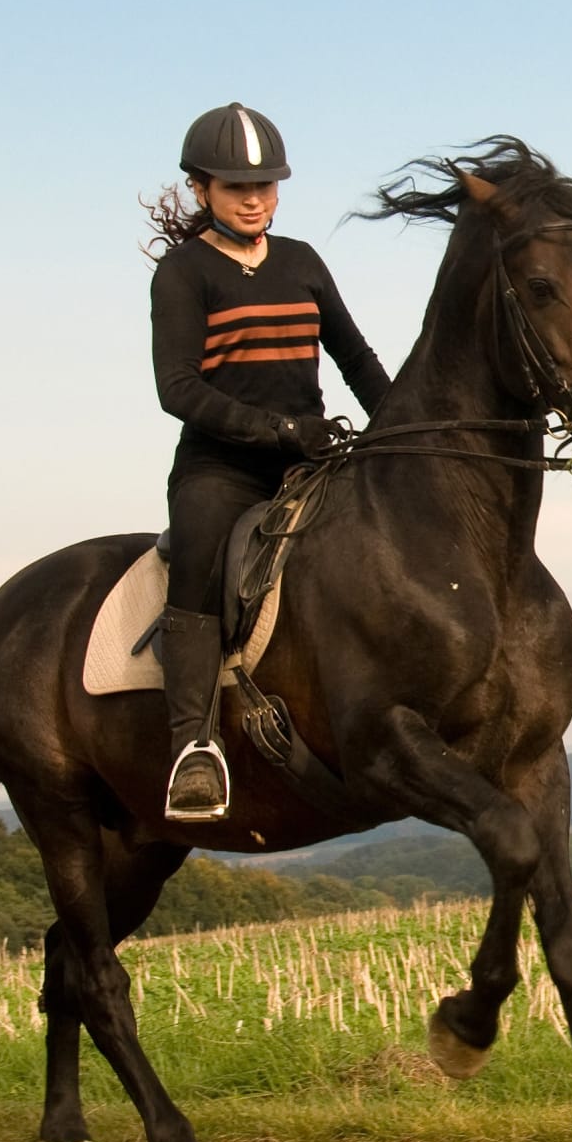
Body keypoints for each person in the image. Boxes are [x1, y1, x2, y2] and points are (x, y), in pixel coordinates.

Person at [144, 102, 392, 821]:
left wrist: (404, 426)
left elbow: (357, 360)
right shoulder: (184, 274)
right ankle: (194, 750)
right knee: (196, 562)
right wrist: (280, 428)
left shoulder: (302, 262)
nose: (254, 199)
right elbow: (177, 389)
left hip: (311, 462)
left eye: (266, 185)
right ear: (200, 190)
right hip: (220, 469)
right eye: (234, 187)